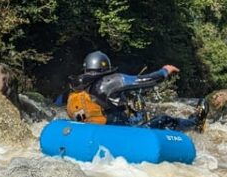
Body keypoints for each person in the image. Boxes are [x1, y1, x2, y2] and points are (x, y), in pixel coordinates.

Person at [65, 50, 207, 132]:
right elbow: (148, 80)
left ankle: (139, 112)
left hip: (92, 133)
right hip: (118, 134)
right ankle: (195, 123)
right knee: (164, 120)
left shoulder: (76, 89)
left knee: (137, 113)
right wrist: (164, 71)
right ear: (105, 68)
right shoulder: (110, 81)